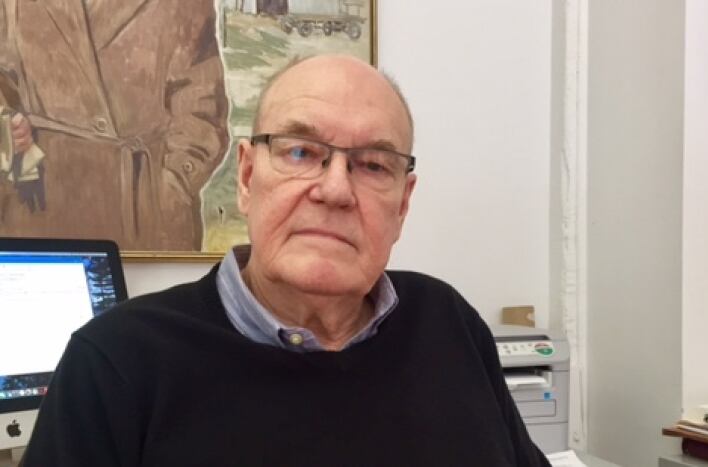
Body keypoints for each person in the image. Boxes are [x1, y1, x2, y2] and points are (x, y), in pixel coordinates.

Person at [22, 55, 552, 467]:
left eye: (372, 164)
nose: (336, 190)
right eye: (300, 151)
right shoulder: (117, 361)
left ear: (403, 203)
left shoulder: (447, 320)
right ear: (248, 177)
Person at [0, 0, 228, 251]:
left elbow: (201, 108)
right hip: (38, 202)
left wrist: (170, 188)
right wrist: (6, 130)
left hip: (142, 213)